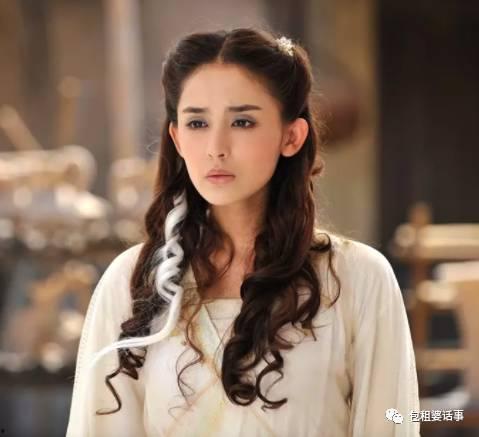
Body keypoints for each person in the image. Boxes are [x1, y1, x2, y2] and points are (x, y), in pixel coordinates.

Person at [66, 27, 421, 437]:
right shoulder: (133, 283)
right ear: (177, 139)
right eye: (197, 122)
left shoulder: (357, 278)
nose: (216, 146)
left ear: (291, 136)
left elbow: (392, 423)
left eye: (242, 121)